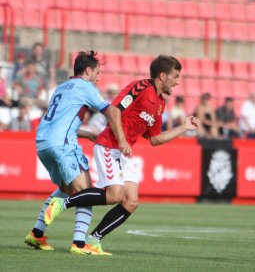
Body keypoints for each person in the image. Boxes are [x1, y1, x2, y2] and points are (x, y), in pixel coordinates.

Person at [42, 55, 199, 255]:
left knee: (131, 201)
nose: (178, 81)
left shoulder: (160, 104)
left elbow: (155, 139)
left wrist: (184, 127)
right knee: (114, 195)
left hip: (123, 152)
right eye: (175, 76)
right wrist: (123, 140)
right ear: (162, 75)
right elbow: (114, 110)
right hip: (110, 145)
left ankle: (93, 239)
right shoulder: (141, 87)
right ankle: (62, 203)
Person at [24, 50, 131, 254]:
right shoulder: (86, 87)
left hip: (43, 143)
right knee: (86, 193)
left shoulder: (61, 87)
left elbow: (58, 122)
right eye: (97, 72)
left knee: (67, 189)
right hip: (62, 144)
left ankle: (37, 234)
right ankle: (79, 244)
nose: (99, 77)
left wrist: (87, 133)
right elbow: (110, 112)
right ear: (88, 70)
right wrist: (122, 138)